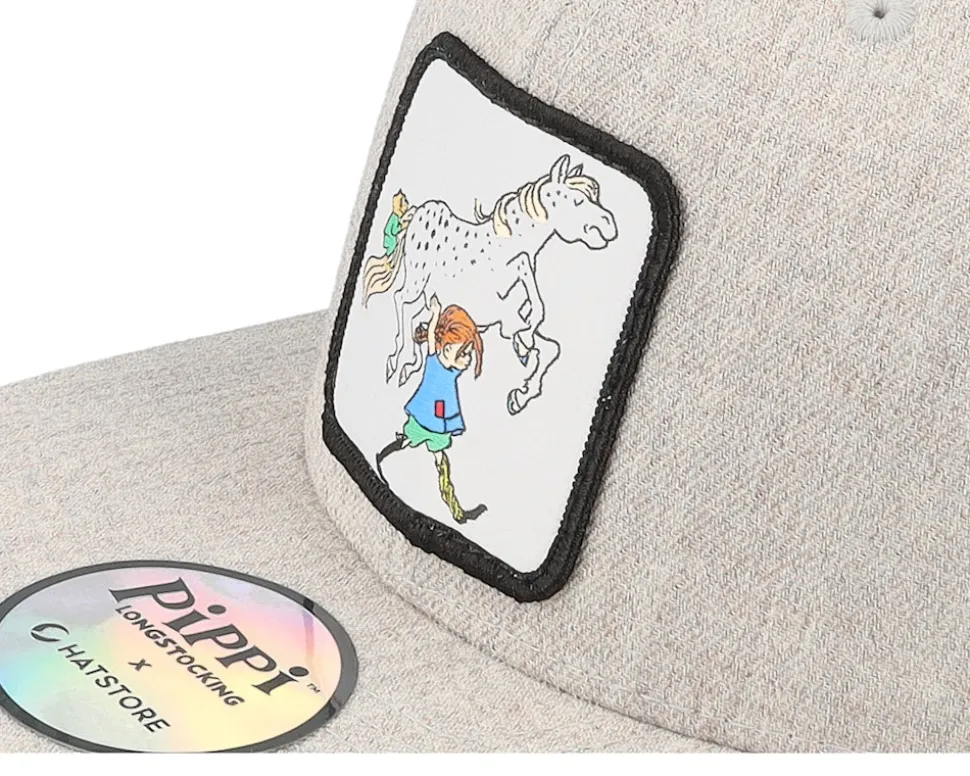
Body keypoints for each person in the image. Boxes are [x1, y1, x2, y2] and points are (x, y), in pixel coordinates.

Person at [375, 294, 487, 524]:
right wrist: (435, 313)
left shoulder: (453, 371)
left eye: (468, 353)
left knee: (441, 463)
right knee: (407, 443)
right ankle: (381, 457)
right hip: (423, 418)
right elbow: (433, 336)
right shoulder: (434, 361)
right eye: (464, 353)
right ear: (447, 349)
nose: (467, 359)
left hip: (439, 426)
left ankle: (457, 511)